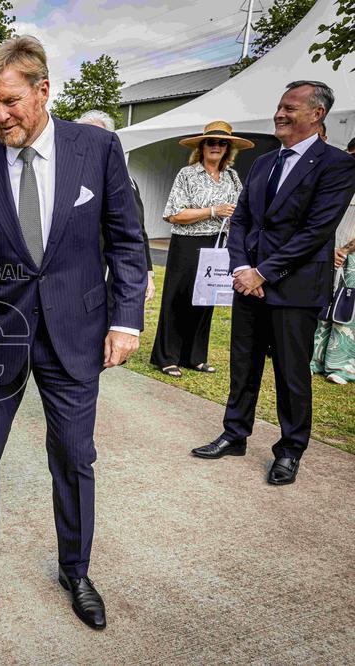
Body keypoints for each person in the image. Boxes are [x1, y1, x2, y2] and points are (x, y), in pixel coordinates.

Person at [0, 37, 147, 628]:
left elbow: (128, 241)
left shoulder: (97, 148)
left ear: (43, 91)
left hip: (76, 331)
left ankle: (75, 570)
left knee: (76, 456)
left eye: (9, 102)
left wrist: (126, 320)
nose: (0, 118)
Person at [192, 81, 355, 485]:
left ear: (316, 114)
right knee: (242, 366)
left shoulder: (337, 165)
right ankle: (235, 435)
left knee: (291, 374)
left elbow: (316, 230)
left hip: (294, 288)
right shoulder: (264, 162)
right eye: (279, 107)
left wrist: (264, 272)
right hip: (248, 283)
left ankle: (290, 450)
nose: (280, 114)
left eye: (290, 108)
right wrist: (242, 269)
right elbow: (244, 219)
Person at [149, 121, 251, 378]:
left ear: (228, 148)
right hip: (188, 243)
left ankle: (194, 356)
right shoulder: (187, 174)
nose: (216, 146)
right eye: (211, 142)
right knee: (177, 298)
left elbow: (242, 209)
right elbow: (173, 214)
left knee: (206, 299)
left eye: (222, 143)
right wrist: (213, 211)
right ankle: (167, 357)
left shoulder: (232, 176)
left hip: (218, 243)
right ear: (202, 146)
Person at [75, 110, 156, 304]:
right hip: (77, 273)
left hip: (116, 272)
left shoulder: (126, 181)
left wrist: (147, 273)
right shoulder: (66, 177)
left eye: (98, 136)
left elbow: (138, 229)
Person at [311, 236, 355, 384]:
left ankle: (341, 366)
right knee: (324, 303)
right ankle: (314, 359)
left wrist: (345, 250)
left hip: (350, 254)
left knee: (347, 307)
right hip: (330, 247)